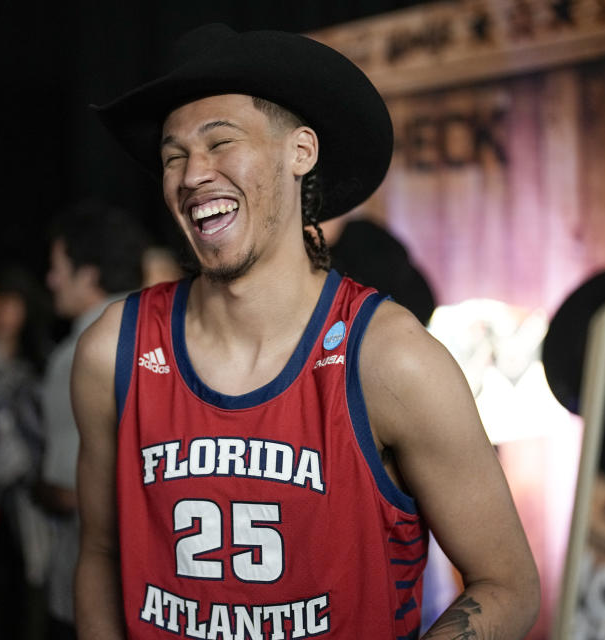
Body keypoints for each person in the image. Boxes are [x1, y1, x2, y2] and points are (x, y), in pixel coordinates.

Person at [73, 24, 540, 639]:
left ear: (301, 152)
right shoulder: (115, 353)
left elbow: (508, 585)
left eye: (220, 143)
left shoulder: (391, 362)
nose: (192, 176)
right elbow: (102, 556)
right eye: (173, 157)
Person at [38, 199, 149, 639]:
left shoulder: (80, 354)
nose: (50, 280)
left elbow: (68, 492)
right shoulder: (170, 336)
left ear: (88, 274)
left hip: (92, 593)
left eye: (57, 267)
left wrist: (30, 483)